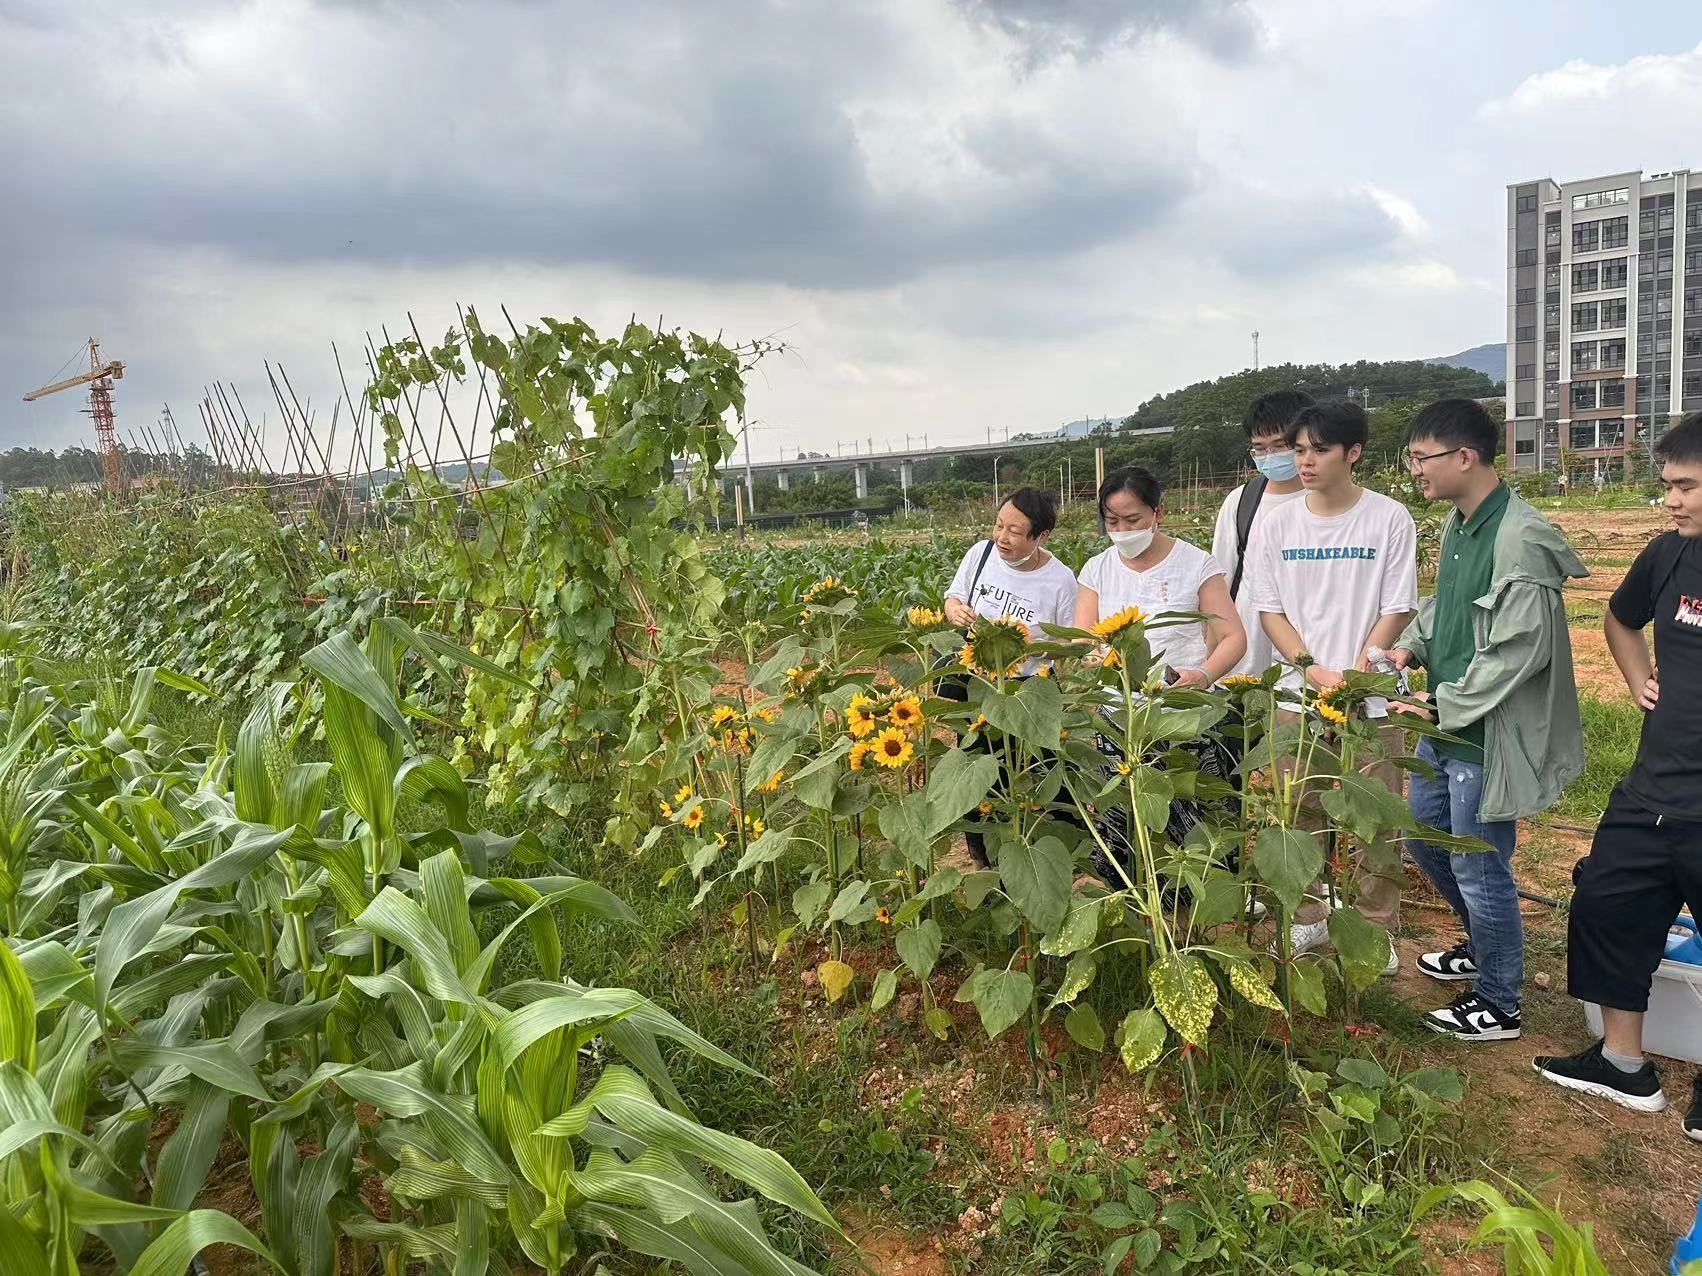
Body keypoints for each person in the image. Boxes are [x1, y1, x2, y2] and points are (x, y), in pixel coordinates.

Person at [1387, 399, 1587, 1042]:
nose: (1414, 470)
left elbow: (1517, 651)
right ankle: (1483, 945)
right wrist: (1410, 646)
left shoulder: (1518, 536)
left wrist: (1441, 703)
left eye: (1421, 458)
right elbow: (1446, 607)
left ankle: (1500, 1001)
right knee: (1423, 837)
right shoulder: (1458, 523)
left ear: (1464, 458)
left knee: (1480, 864)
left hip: (1484, 732)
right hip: (1443, 721)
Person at [1535, 411, 1702, 1140]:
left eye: (1687, 486)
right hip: (1652, 788)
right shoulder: (1667, 557)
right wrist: (1638, 680)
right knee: (1607, 908)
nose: (1672, 501)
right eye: (1668, 486)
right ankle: (1623, 1063)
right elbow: (1620, 618)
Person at [1248, 401, 1418, 972]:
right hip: (1300, 693)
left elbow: (1397, 605)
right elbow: (1270, 611)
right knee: (1298, 809)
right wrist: (1313, 668)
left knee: (1379, 815)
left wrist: (1356, 674)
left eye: (1319, 449)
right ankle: (1308, 918)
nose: (1305, 461)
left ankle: (1376, 929)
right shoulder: (1278, 523)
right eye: (1298, 450)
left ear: (1354, 453)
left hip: (1370, 695)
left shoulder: (1388, 518)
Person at [943, 487, 1077, 863]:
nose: (1002, 537)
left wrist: (1025, 645)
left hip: (1029, 690)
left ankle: (1040, 847)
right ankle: (982, 855)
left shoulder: (1060, 580)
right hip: (980, 682)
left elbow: (1068, 644)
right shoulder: (980, 554)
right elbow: (953, 597)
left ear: (1041, 536)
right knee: (976, 767)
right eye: (999, 525)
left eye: (1015, 531)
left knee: (1034, 767)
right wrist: (955, 611)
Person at [1074, 466, 1246, 686]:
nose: (1123, 530)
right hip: (1116, 704)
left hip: (1181, 704)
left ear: (1158, 513)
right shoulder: (1096, 569)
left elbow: (1233, 637)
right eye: (1112, 522)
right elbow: (1083, 639)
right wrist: (1095, 659)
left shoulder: (1196, 564)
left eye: (1133, 520)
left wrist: (1203, 675)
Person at [1212, 389, 1314, 679]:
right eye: (1260, 448)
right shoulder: (1242, 502)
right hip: (1247, 662)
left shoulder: (1330, 503)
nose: (1270, 456)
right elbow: (1219, 584)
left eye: (1280, 445)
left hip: (1314, 660)